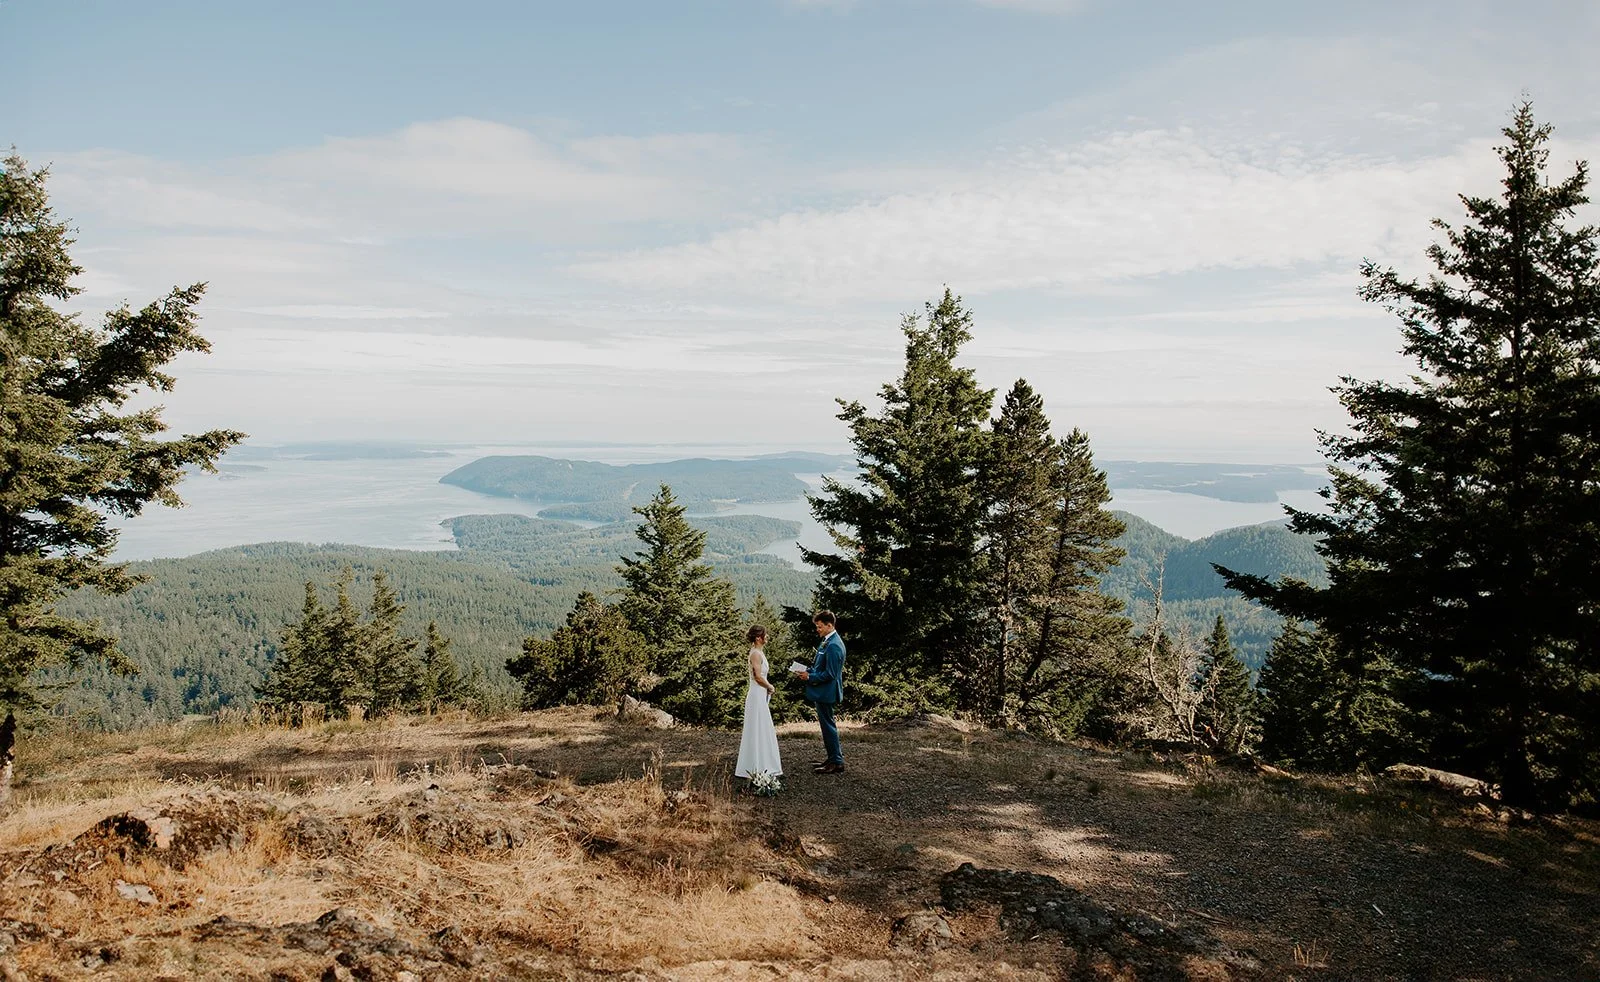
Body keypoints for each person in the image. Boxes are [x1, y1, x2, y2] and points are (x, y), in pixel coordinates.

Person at [793, 610, 846, 774]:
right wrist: (807, 671)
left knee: (829, 727)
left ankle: (836, 761)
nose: (818, 629)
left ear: (830, 625)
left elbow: (830, 674)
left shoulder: (834, 645)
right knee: (826, 726)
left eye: (820, 626)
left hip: (827, 692)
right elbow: (820, 667)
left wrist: (809, 677)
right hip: (823, 692)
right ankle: (832, 758)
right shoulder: (827, 642)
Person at [734, 625, 781, 782]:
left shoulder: (759, 652)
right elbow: (758, 676)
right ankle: (755, 765)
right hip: (756, 694)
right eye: (764, 635)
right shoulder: (755, 654)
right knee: (756, 728)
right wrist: (770, 686)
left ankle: (762, 763)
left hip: (760, 694)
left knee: (762, 728)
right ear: (758, 638)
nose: (766, 637)